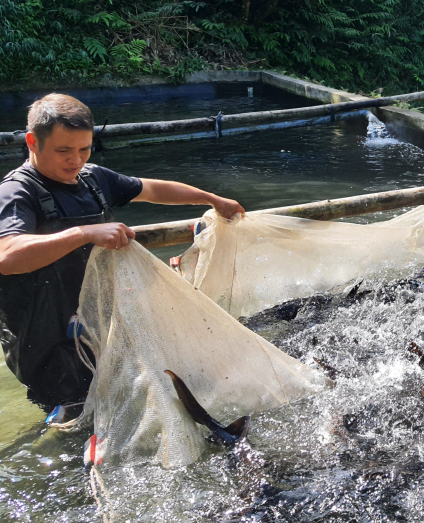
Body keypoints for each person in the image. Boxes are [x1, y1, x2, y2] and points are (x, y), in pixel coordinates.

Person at [0, 94, 244, 411]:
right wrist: (84, 233)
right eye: (63, 151)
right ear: (33, 142)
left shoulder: (94, 180)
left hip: (101, 329)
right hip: (47, 347)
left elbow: (154, 189)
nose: (75, 160)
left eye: (84, 149)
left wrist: (212, 199)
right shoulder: (17, 192)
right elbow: (7, 256)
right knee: (75, 426)